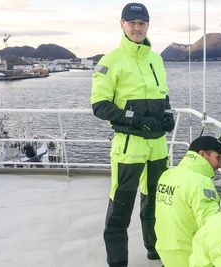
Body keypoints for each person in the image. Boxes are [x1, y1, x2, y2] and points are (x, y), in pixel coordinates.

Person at [90, 3, 174, 266]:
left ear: (148, 25)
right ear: (122, 25)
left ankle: (154, 248)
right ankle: (117, 262)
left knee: (155, 203)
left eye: (142, 23)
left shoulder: (156, 59)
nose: (137, 28)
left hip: (158, 145)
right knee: (121, 208)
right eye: (132, 23)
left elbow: (164, 94)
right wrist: (136, 120)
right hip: (129, 148)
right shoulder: (110, 61)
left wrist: (168, 113)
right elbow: (100, 106)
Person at [155, 135, 221, 267]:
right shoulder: (200, 182)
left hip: (169, 256)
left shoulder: (168, 175)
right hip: (191, 259)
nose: (220, 165)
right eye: (218, 158)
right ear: (202, 154)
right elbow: (211, 227)